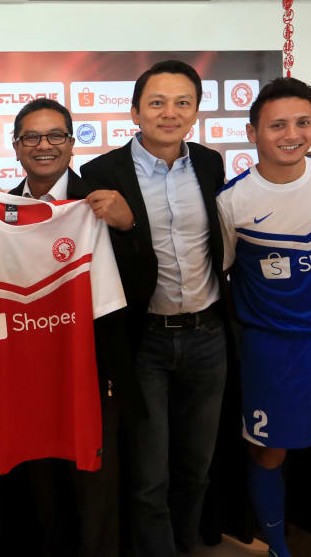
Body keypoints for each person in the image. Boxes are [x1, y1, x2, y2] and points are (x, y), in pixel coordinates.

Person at [81, 60, 229, 556]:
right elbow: (96, 258)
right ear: (135, 111)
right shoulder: (100, 173)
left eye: (182, 102)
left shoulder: (210, 164)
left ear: (196, 112)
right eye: (158, 102)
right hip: (144, 341)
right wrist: (127, 227)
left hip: (209, 336)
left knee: (197, 466)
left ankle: (186, 545)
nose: (170, 113)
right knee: (149, 475)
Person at [217, 77, 311, 557]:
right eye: (277, 124)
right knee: (269, 452)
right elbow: (226, 271)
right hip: (272, 347)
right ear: (252, 132)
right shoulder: (231, 201)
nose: (292, 134)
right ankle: (278, 547)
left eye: (303, 122)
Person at [1, 98, 144, 556]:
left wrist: (127, 227)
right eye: (32, 137)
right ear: (17, 147)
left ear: (71, 142)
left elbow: (143, 285)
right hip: (29, 375)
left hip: (95, 372)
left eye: (55, 136)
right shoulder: (0, 211)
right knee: (42, 489)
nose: (44, 146)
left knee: (96, 490)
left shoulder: (103, 198)